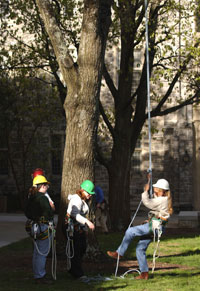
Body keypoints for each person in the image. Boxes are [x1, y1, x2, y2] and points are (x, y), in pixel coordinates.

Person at [107, 177, 173, 280]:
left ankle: (119, 253)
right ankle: (144, 274)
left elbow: (148, 203)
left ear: (160, 190)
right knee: (140, 249)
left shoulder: (161, 200)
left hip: (155, 227)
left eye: (156, 188)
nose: (154, 189)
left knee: (130, 231)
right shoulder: (163, 199)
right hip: (156, 227)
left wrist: (145, 191)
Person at [25, 175, 55, 284]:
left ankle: (37, 274)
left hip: (34, 226)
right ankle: (40, 276)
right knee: (42, 253)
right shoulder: (42, 197)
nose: (47, 187)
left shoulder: (31, 197)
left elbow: (26, 212)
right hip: (43, 227)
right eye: (46, 185)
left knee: (36, 252)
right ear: (42, 186)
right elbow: (49, 212)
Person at [65, 179, 95, 279]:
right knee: (76, 250)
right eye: (88, 193)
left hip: (78, 228)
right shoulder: (76, 199)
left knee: (81, 248)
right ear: (82, 190)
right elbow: (74, 214)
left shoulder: (82, 200)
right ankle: (77, 273)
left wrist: (84, 229)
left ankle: (73, 269)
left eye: (91, 194)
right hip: (71, 228)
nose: (89, 195)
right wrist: (87, 222)